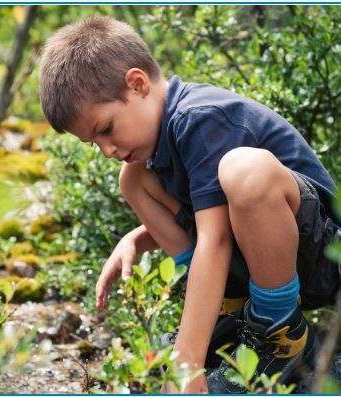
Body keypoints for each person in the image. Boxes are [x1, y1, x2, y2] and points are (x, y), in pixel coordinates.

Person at [39, 15, 340, 393]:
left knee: (243, 170)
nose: (106, 150)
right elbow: (214, 216)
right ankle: (229, 314)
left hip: (322, 257)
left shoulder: (200, 117)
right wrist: (139, 237)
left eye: (105, 129)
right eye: (93, 143)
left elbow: (215, 239)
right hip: (269, 261)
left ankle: (279, 334)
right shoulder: (163, 140)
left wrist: (187, 363)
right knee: (134, 179)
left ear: (138, 84)